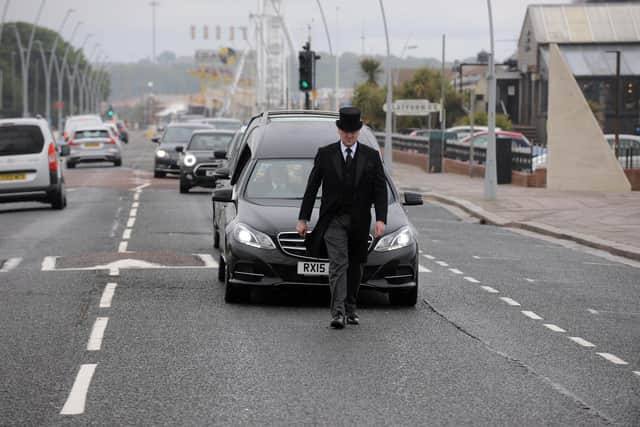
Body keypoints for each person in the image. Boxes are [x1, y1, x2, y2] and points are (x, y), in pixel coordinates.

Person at [297, 107, 387, 329]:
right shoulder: (325, 154)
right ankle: (337, 313)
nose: (349, 135)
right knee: (338, 264)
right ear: (339, 130)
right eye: (345, 131)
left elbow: (380, 190)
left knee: (356, 265)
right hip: (333, 220)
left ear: (359, 131)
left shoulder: (371, 156)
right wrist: (303, 218)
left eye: (353, 131)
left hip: (359, 221)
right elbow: (312, 187)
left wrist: (380, 219)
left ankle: (350, 308)